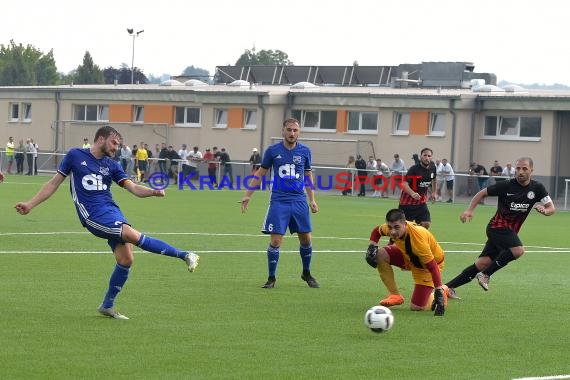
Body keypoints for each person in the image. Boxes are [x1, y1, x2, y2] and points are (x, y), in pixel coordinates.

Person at [14, 125, 199, 320]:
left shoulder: (112, 165)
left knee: (126, 260)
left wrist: (153, 192)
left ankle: (107, 306)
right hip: (92, 215)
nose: (116, 148)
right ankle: (184, 255)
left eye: (118, 145)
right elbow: (53, 184)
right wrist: (30, 204)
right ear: (101, 139)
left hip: (112, 212)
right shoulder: (75, 155)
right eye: (114, 143)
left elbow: (134, 188)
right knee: (130, 234)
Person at [444, 157, 555, 298]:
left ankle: (447, 288)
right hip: (497, 227)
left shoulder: (537, 188)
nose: (520, 171)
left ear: (531, 170)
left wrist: (546, 211)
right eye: (518, 168)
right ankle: (485, 275)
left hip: (508, 232)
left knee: (482, 263)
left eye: (524, 168)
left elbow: (551, 207)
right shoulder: (506, 185)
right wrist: (469, 210)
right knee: (518, 250)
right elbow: (482, 193)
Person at [240, 118, 319, 289]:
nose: (292, 133)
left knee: (306, 240)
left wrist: (312, 199)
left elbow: (307, 176)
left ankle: (306, 273)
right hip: (279, 201)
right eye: (289, 130)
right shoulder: (273, 151)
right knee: (276, 241)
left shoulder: (305, 151)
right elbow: (260, 173)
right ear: (283, 131)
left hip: (299, 201)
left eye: (295, 130)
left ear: (299, 132)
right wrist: (248, 195)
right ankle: (271, 278)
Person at [365, 208, 447, 316]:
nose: (393, 231)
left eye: (397, 227)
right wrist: (372, 247)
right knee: (379, 254)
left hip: (426, 267)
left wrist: (438, 290)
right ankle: (395, 295)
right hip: (408, 256)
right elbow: (377, 231)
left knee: (416, 307)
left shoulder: (418, 240)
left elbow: (432, 267)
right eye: (390, 227)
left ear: (405, 224)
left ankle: (444, 290)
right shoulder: (392, 228)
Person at [398, 148, 437, 229]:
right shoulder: (414, 169)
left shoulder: (433, 167)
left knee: (426, 224)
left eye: (429, 156)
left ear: (431, 157)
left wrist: (434, 192)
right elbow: (404, 184)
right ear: (421, 157)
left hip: (421, 202)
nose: (427, 158)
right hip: (407, 203)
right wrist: (413, 193)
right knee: (404, 229)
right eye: (425, 155)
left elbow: (434, 178)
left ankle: (417, 238)